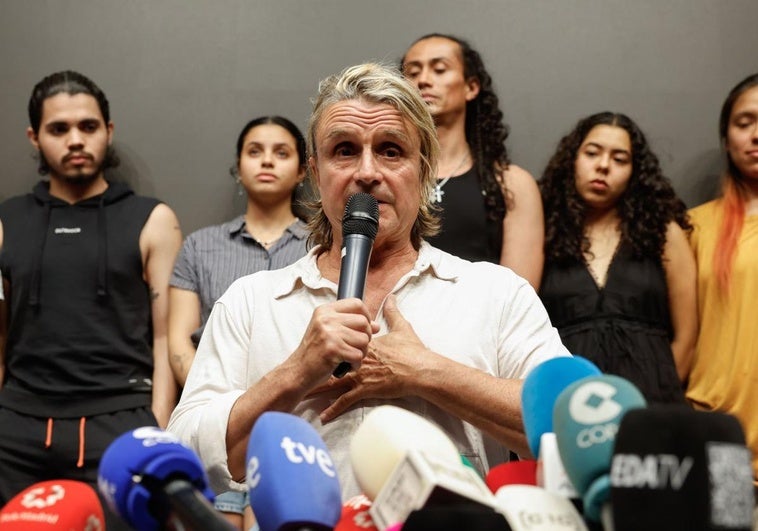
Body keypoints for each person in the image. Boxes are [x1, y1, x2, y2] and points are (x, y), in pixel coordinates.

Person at [167, 62, 570, 499]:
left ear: (425, 170)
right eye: (344, 150)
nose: (367, 172)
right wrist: (296, 371)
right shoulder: (251, 301)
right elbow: (186, 455)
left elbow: (569, 431)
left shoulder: (495, 293)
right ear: (316, 174)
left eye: (391, 150)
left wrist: (427, 373)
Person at [0, 71, 182, 528]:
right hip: (17, 426)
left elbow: (165, 338)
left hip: (119, 421)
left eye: (88, 126)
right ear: (34, 138)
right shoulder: (5, 221)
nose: (75, 140)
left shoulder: (153, 219)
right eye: (59, 129)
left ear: (108, 131)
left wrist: (155, 427)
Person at [168, 116, 309, 529]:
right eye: (255, 151)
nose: (267, 161)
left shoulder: (323, 247)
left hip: (296, 426)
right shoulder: (200, 246)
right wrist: (229, 407)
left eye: (281, 153)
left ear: (304, 170)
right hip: (219, 426)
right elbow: (178, 341)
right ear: (238, 165)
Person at [538, 111, 697, 404]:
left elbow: (687, 338)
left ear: (635, 172)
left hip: (653, 405)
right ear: (572, 159)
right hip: (569, 407)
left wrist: (660, 394)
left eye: (620, 159)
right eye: (592, 153)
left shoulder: (663, 232)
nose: (603, 166)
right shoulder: (542, 231)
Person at [401, 33, 544, 288]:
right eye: (412, 72)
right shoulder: (381, 177)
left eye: (439, 69)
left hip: (483, 324)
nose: (423, 80)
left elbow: (519, 297)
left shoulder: (512, 184)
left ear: (471, 87)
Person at [686, 73, 758, 485]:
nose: (755, 134)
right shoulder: (695, 227)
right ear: (727, 137)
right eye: (744, 122)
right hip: (720, 440)